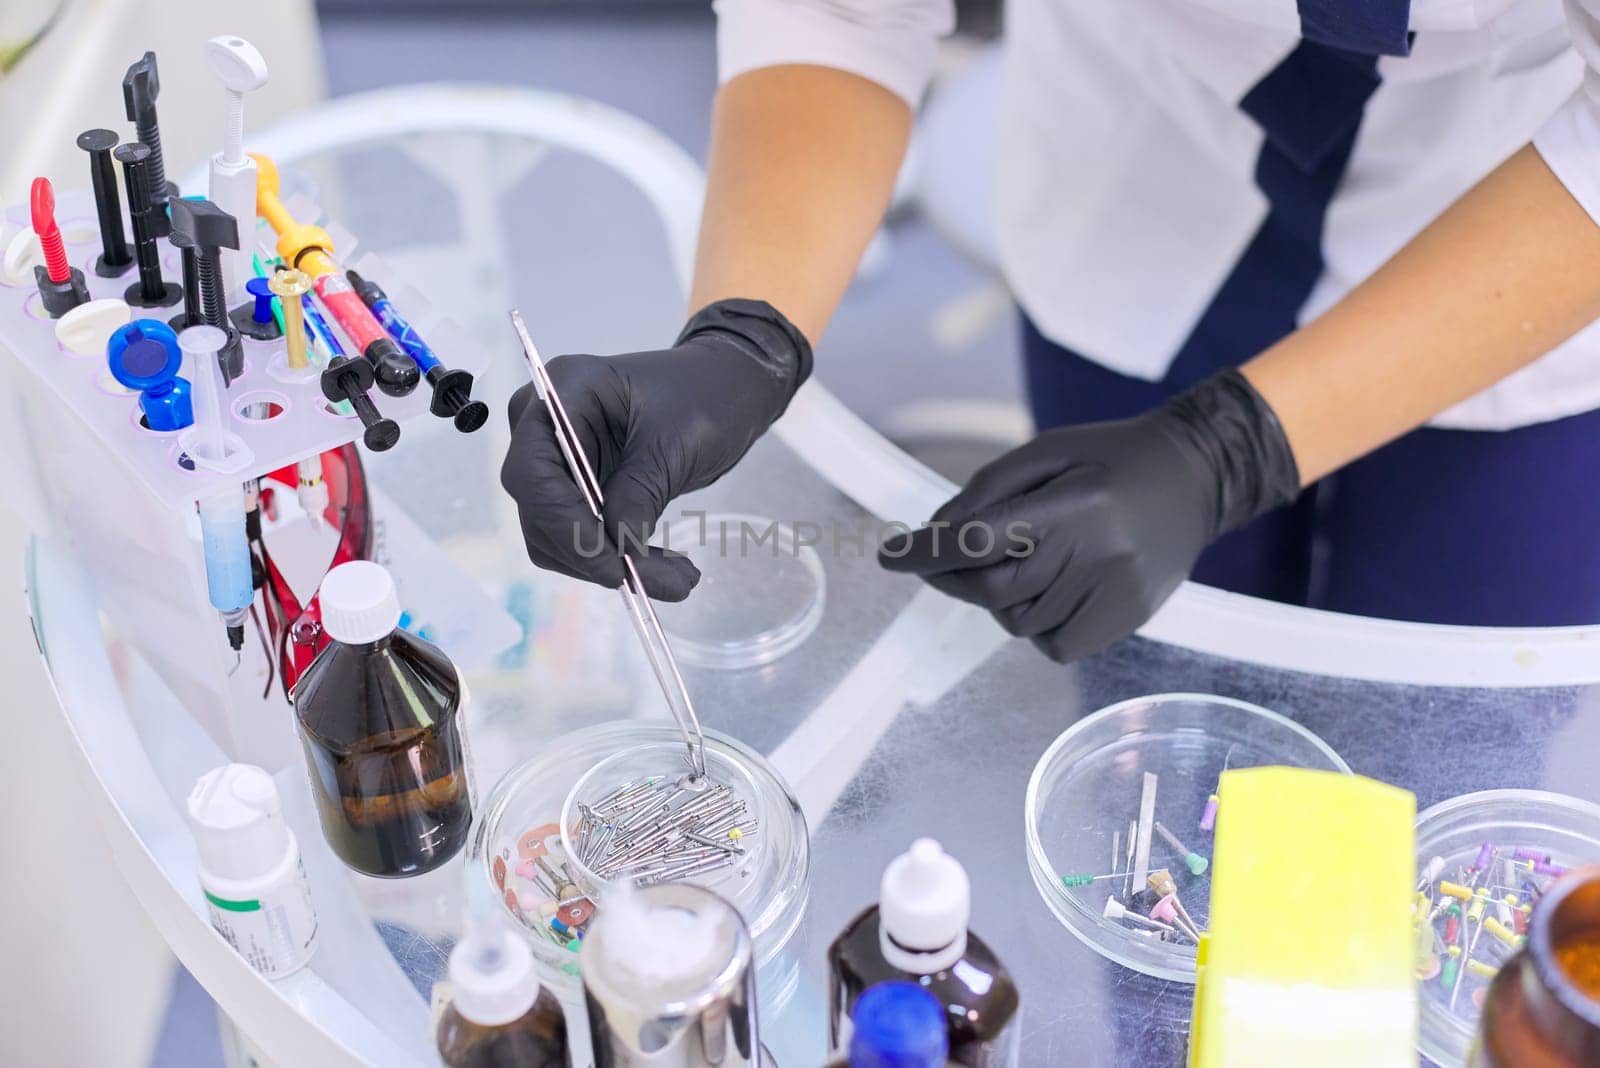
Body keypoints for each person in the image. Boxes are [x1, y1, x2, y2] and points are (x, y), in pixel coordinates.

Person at [502, 0, 1600, 663]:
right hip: (1138, 155)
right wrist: (746, 331)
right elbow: (845, 12)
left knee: (1428, 760)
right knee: (1152, 738)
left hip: (1528, 226)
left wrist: (1233, 450)